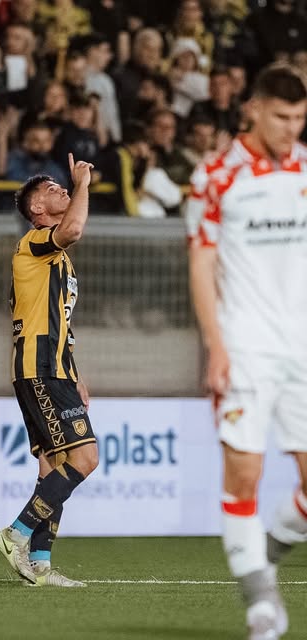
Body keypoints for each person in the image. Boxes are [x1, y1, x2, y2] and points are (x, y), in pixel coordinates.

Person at [186, 63, 307, 640]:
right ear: (254, 109)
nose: (291, 129)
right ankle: (261, 605)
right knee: (245, 473)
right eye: (282, 117)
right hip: (246, 345)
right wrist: (215, 345)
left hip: (302, 344)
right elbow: (202, 262)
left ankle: (265, 556)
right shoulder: (215, 176)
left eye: (300, 118)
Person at [0, 153, 99, 587]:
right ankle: (14, 534)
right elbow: (72, 229)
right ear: (37, 208)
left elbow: (62, 325)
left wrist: (77, 373)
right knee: (85, 459)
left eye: (64, 187)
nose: (64, 190)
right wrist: (83, 184)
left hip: (54, 367)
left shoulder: (58, 261)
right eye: (53, 189)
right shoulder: (34, 242)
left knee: (52, 466)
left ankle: (38, 564)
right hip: (40, 369)